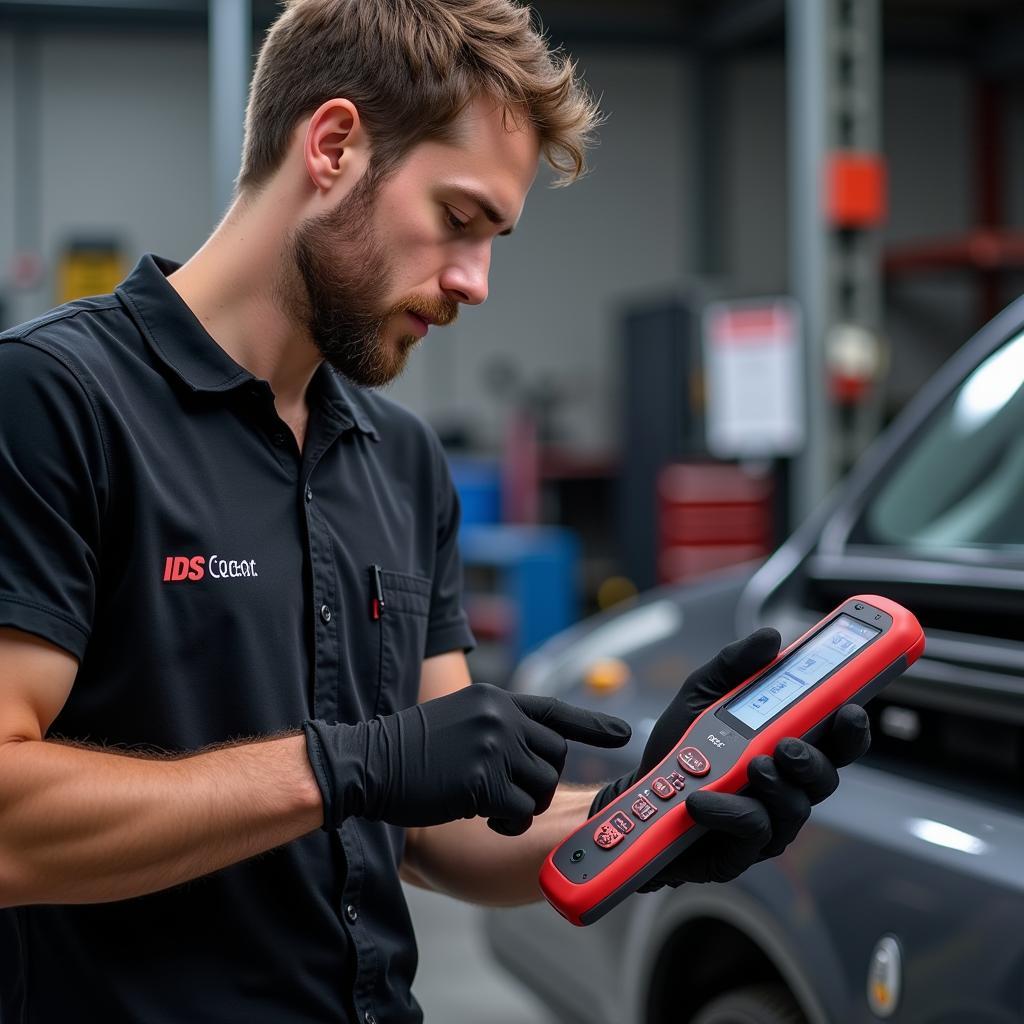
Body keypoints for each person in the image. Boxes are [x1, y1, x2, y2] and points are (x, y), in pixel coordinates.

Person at [0, 1, 870, 1020]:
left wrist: (655, 808)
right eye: (458, 220)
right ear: (331, 145)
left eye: (493, 238)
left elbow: (433, 831)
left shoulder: (401, 460)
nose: (475, 282)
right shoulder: (52, 404)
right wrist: (349, 763)